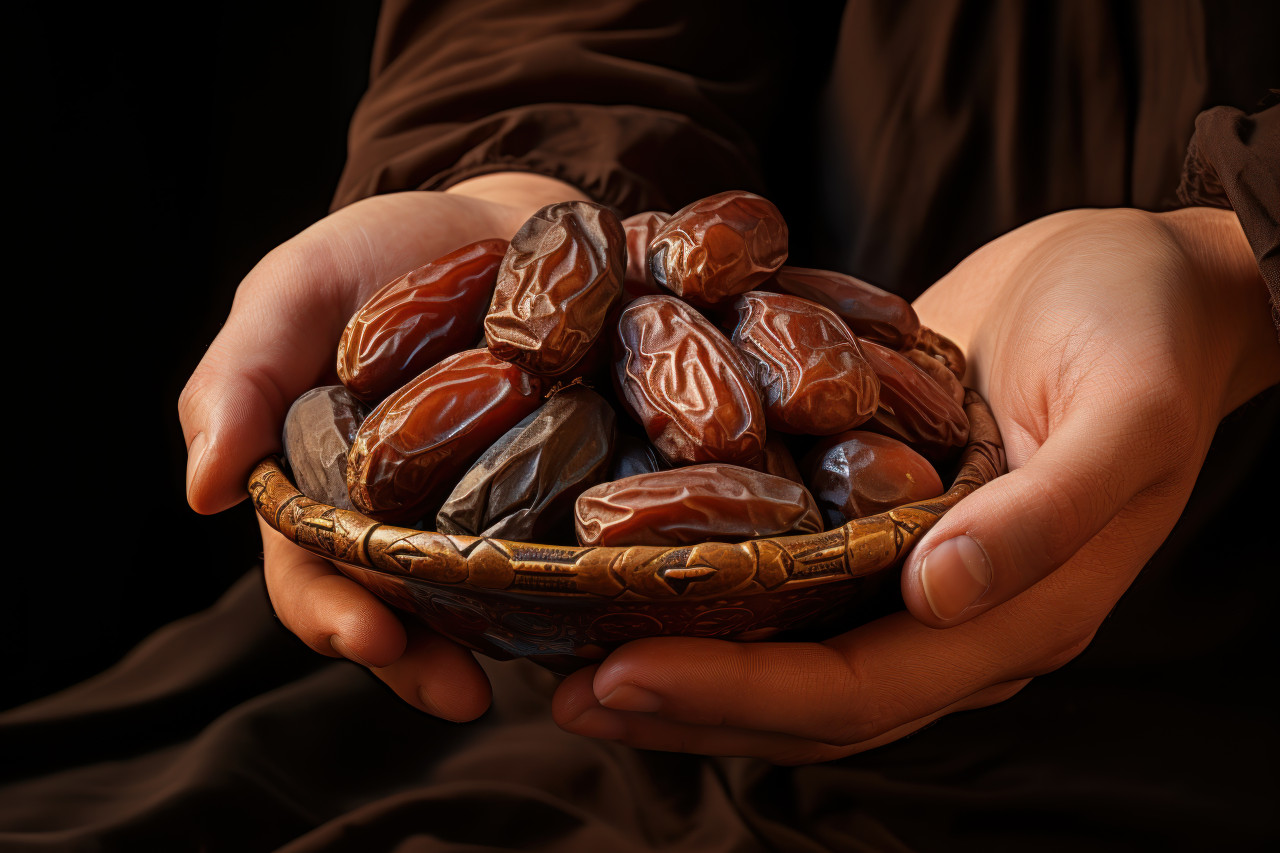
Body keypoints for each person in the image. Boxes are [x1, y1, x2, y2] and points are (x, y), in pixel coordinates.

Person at [10, 1, 1280, 849]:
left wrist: (1234, 268)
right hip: (535, 659)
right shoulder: (600, 357)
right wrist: (508, 169)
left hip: (1202, 699)